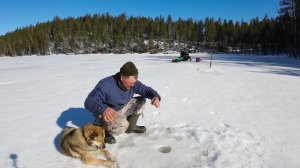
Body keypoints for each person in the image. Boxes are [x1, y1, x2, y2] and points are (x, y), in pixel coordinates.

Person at [84, 61, 161, 144]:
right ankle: (102, 130)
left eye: (134, 82)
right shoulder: (105, 85)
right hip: (108, 112)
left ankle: (131, 127)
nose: (133, 85)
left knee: (141, 101)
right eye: (130, 83)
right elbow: (89, 102)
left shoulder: (133, 83)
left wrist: (155, 96)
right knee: (121, 127)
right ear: (122, 77)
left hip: (121, 107)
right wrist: (103, 109)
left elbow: (145, 90)